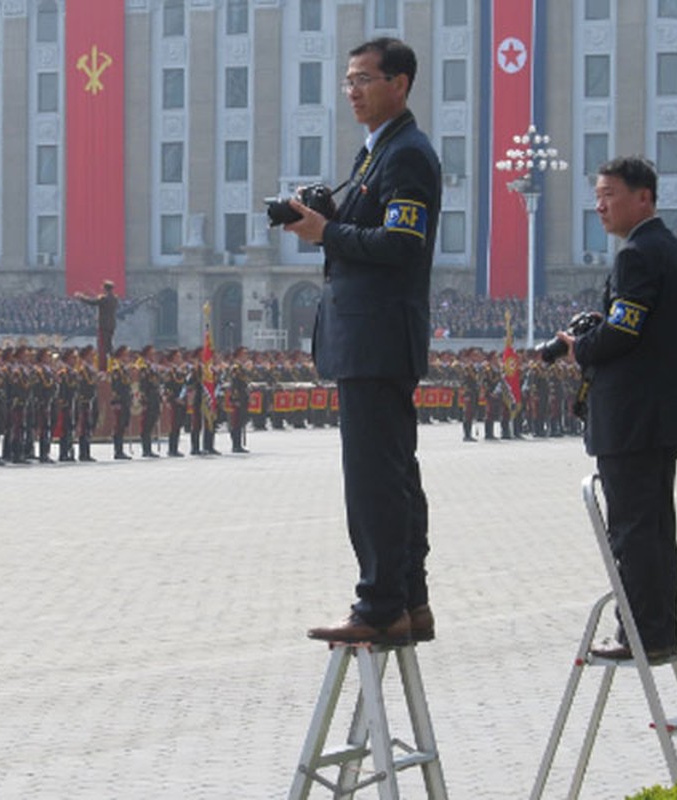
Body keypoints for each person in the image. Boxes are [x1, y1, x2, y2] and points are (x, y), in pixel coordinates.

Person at [285, 37, 442, 645]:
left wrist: (328, 232)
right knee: (392, 471)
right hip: (369, 336)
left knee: (376, 476)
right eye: (347, 81)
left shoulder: (406, 155)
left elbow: (403, 246)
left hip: (377, 336)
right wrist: (329, 221)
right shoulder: (373, 155)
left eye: (363, 79)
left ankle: (379, 604)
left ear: (399, 83)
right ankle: (409, 598)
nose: (352, 91)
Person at [556, 156, 677, 662]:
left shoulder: (637, 254)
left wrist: (581, 347)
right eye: (597, 195)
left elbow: (624, 332)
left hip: (633, 419)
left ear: (644, 197)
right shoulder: (672, 250)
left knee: (634, 532)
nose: (600, 205)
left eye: (610, 194)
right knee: (656, 529)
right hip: (660, 416)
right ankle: (658, 630)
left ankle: (638, 633)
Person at [74, 279, 119, 371]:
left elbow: (92, 302)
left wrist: (81, 297)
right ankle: (111, 361)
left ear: (105, 288)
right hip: (112, 325)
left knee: (103, 347)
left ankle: (105, 366)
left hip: (103, 325)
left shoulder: (103, 298)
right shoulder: (115, 299)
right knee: (109, 345)